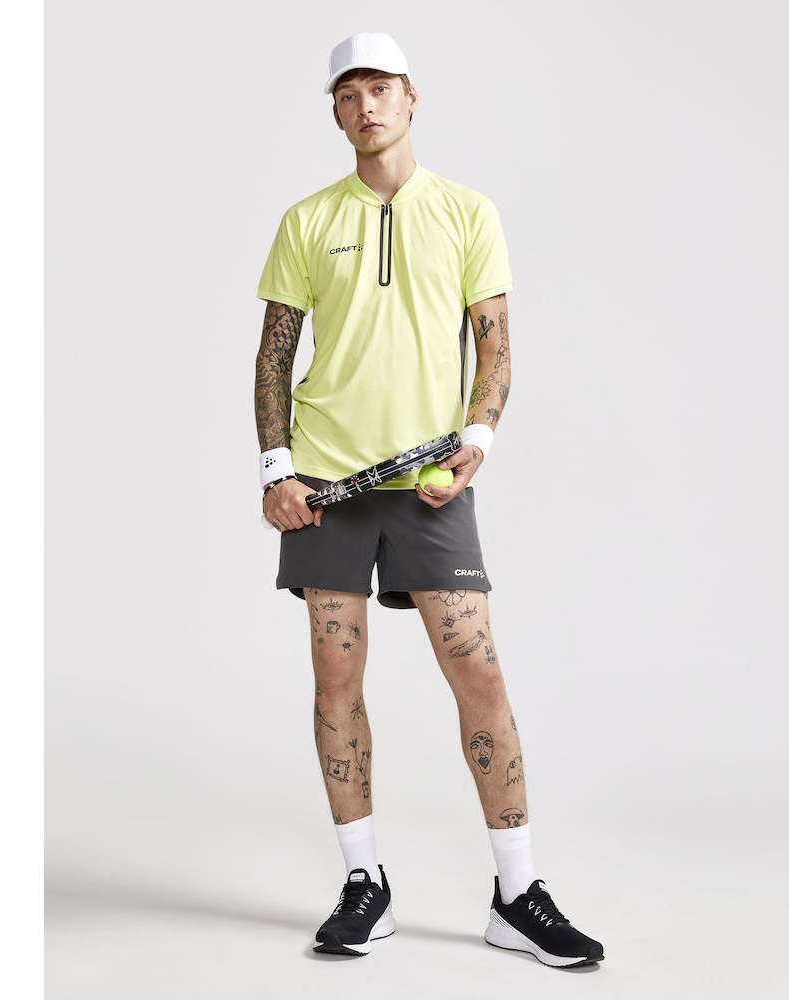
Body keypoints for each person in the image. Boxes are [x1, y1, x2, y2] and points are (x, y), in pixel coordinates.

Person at [255, 31, 605, 969]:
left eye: (380, 88)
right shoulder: (305, 220)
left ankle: (518, 895)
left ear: (411, 98)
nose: (364, 106)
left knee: (478, 673)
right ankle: (364, 885)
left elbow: (495, 346)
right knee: (336, 678)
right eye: (347, 94)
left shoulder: (466, 211)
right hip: (327, 486)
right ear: (336, 112)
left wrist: (476, 441)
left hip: (429, 485)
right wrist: (276, 469)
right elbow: (275, 354)